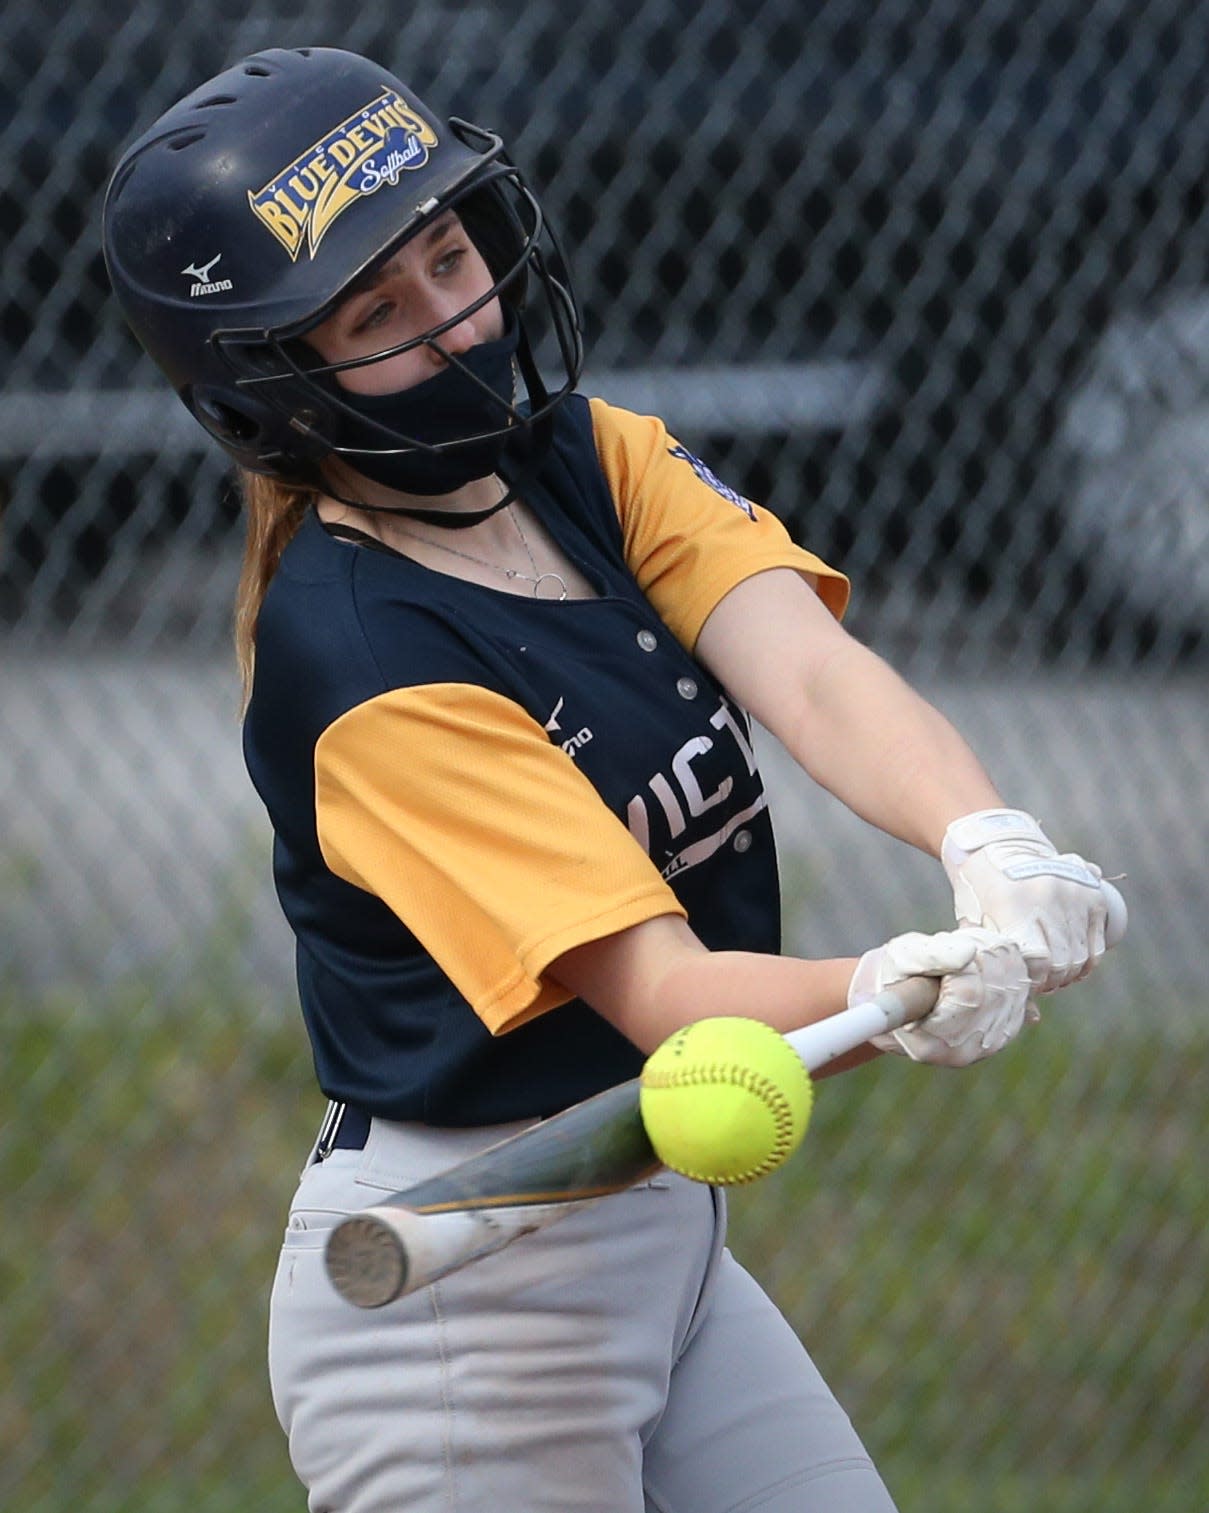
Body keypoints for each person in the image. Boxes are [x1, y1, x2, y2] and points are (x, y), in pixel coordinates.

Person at [102, 46, 1124, 1513]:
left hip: (656, 1228)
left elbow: (814, 673)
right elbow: (660, 989)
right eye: (371, 317)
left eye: (448, 257)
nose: (449, 323)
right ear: (273, 386)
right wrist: (907, 982)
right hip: (469, 1292)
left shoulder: (583, 460)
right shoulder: (363, 660)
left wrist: (989, 843)